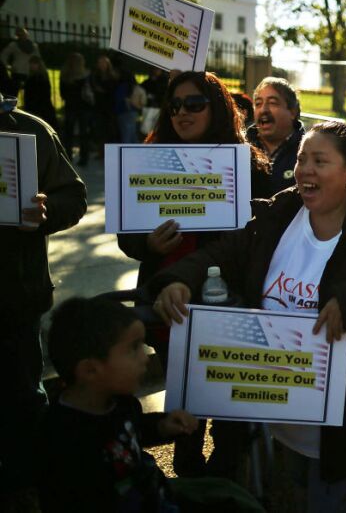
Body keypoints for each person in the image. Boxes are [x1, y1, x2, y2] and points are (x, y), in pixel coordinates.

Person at [151, 120, 346, 511]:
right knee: (286, 492)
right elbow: (221, 255)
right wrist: (180, 280)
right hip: (271, 415)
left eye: (320, 160)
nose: (306, 170)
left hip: (339, 427)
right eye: (302, 159)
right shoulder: (277, 217)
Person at [117, 71, 272, 479]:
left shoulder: (246, 165)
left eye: (194, 104)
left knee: (225, 395)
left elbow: (256, 241)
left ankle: (225, 474)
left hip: (226, 303)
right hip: (166, 305)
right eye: (175, 105)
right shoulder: (148, 158)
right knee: (183, 392)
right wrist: (147, 245)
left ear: (216, 107)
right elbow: (127, 237)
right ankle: (187, 470)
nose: (182, 113)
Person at [37, 296, 265, 512]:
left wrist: (162, 426)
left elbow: (134, 429)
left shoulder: (120, 403)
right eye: (134, 348)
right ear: (90, 370)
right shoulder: (63, 438)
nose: (145, 357)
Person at [0, 95, 87, 496]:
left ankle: (28, 491)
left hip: (15, 299)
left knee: (22, 402)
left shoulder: (28, 130)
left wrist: (44, 210)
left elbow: (73, 196)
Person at [246, 76, 305, 193]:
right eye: (258, 104)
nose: (263, 110)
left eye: (272, 103)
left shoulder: (308, 151)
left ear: (292, 112)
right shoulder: (241, 148)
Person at [59, 52, 94, 165]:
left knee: (68, 133)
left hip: (70, 106)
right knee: (84, 133)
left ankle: (68, 156)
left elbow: (62, 94)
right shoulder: (86, 75)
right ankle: (84, 158)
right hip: (84, 107)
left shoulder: (64, 76)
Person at [90, 54, 118, 150]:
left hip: (109, 108)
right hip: (98, 107)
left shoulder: (112, 76)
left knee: (110, 131)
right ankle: (101, 151)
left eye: (104, 63)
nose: (102, 65)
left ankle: (110, 151)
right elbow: (94, 88)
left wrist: (102, 90)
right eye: (100, 63)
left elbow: (111, 90)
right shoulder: (94, 75)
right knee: (99, 131)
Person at [22, 55, 57, 130]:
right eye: (31, 64)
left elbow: (43, 93)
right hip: (35, 106)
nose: (32, 66)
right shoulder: (33, 77)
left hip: (40, 107)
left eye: (34, 63)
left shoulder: (40, 78)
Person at [1, 27, 40, 93]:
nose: (23, 36)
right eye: (21, 34)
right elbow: (3, 55)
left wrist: (36, 67)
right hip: (17, 72)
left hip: (29, 71)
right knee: (13, 93)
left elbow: (38, 58)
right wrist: (8, 66)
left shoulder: (33, 46)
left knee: (30, 93)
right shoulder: (14, 45)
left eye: (24, 34)